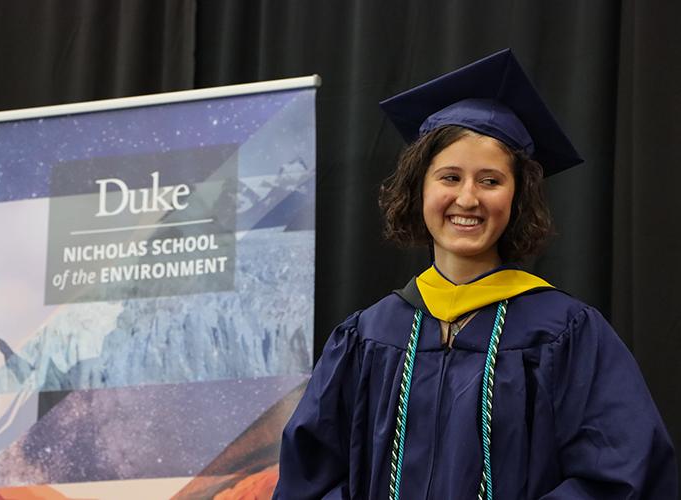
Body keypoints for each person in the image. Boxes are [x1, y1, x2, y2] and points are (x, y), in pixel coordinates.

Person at [273, 49, 678, 499]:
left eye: (490, 180)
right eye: (449, 177)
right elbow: (309, 478)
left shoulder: (567, 334)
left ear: (517, 197)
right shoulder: (367, 336)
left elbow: (622, 474)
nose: (468, 198)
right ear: (419, 188)